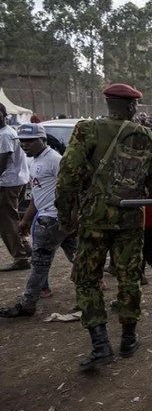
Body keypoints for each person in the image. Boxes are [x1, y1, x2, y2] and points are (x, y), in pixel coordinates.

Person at [56, 83, 152, 372]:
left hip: (94, 217)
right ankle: (129, 338)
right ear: (132, 107)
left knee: (86, 277)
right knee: (129, 276)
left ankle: (100, 343)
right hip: (131, 218)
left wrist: (65, 213)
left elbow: (68, 173)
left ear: (107, 103)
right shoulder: (146, 135)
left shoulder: (87, 130)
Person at [0, 124, 77, 318]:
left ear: (42, 139)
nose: (25, 145)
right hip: (52, 217)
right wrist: (26, 219)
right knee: (78, 257)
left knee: (40, 263)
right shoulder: (34, 161)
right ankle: (89, 294)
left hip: (52, 219)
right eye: (23, 141)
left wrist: (72, 217)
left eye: (30, 140)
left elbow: (72, 190)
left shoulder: (55, 161)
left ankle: (28, 303)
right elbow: (37, 194)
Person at [0, 102, 31, 271]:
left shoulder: (5, 135)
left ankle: (20, 257)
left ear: (4, 115)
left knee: (6, 222)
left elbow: (2, 162)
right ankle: (25, 249)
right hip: (17, 181)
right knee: (12, 218)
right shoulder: (7, 133)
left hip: (7, 183)